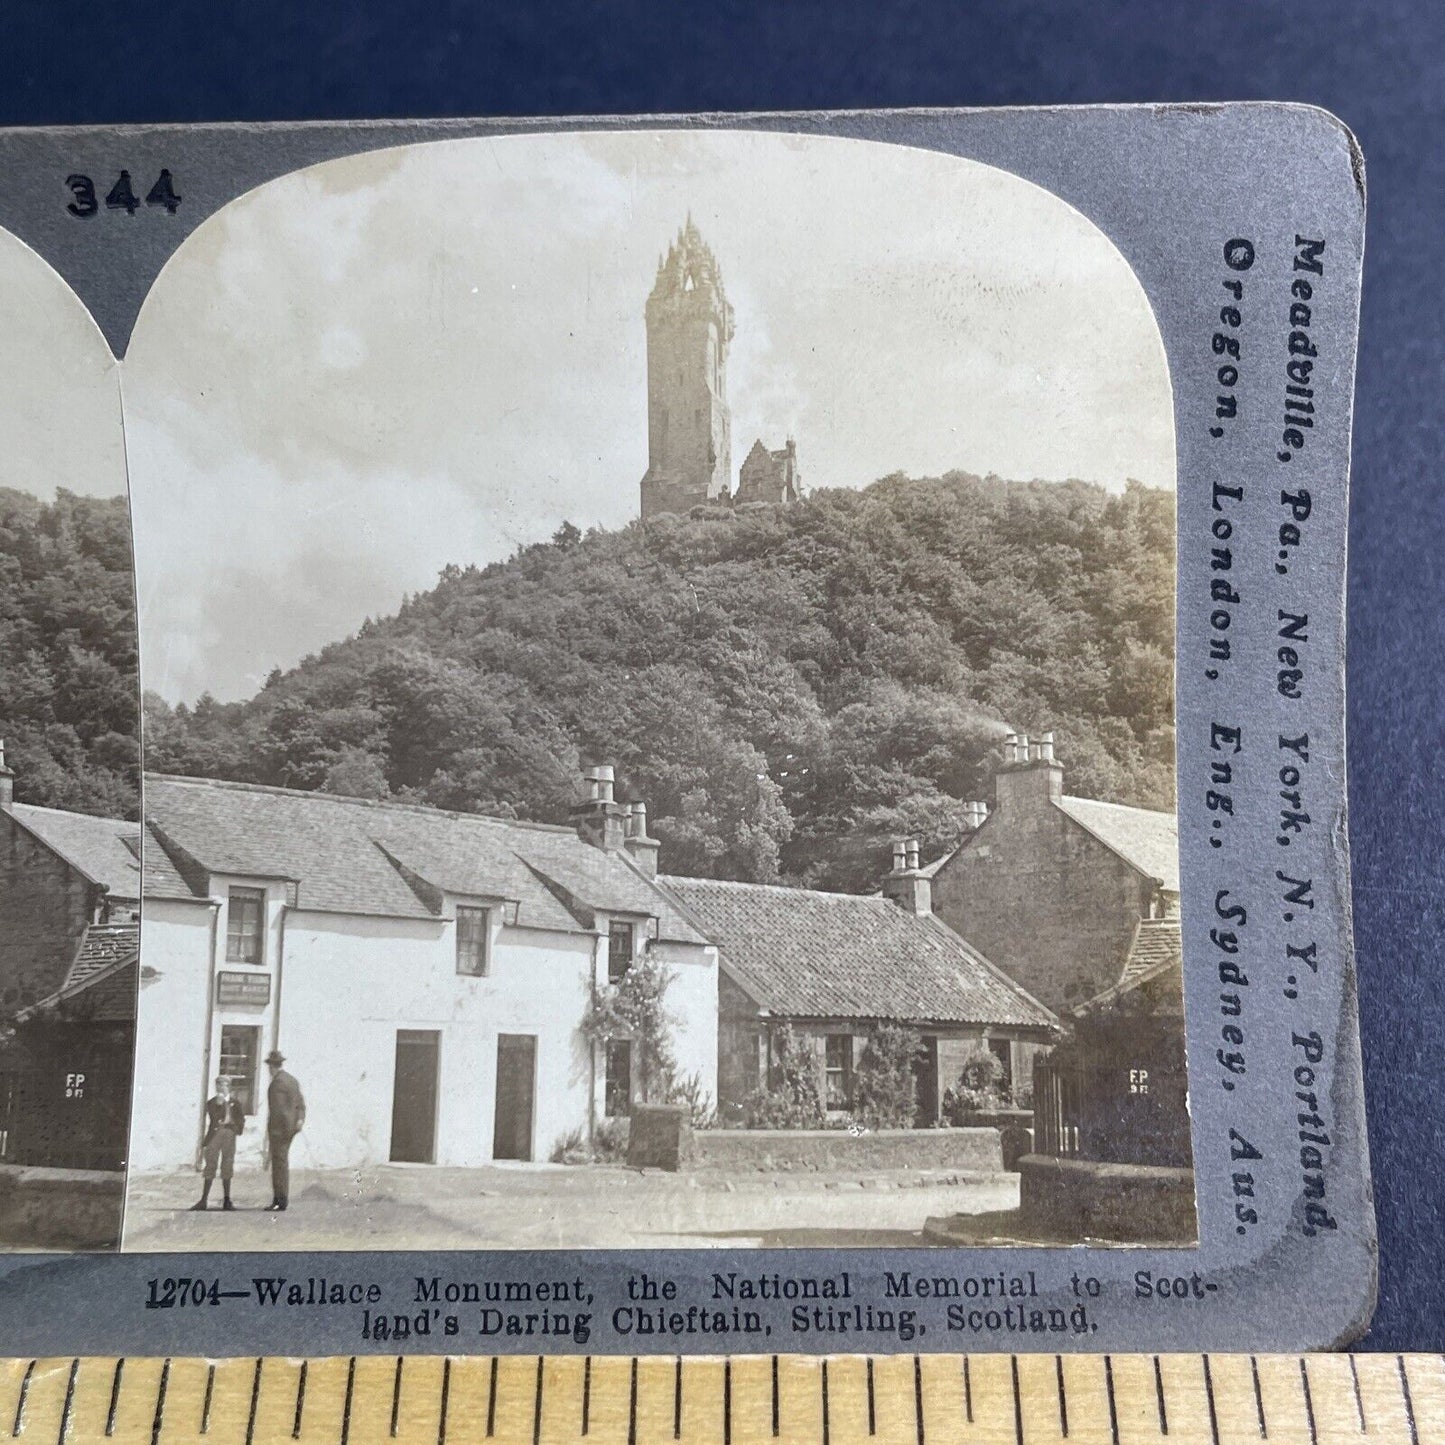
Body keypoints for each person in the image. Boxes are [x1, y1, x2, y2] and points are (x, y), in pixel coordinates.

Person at [191, 1075, 244, 1212]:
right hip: (215, 1134)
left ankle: (227, 1200)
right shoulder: (212, 1103)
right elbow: (214, 1118)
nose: (220, 1088)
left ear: (229, 1087)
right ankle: (204, 1200)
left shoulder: (235, 1103)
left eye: (223, 1085)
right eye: (218, 1085)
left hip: (229, 1134)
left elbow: (240, 1119)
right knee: (211, 1164)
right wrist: (219, 1106)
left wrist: (236, 1129)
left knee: (227, 1164)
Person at [264, 1049, 305, 1211]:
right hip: (291, 1128)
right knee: (282, 1163)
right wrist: (299, 1121)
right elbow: (300, 1104)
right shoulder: (292, 1080)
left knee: (279, 1165)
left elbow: (278, 1110)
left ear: (272, 1066)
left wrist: (274, 1130)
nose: (269, 1070)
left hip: (280, 1130)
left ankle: (279, 1200)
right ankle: (281, 1199)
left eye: (269, 1066)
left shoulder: (277, 1084)